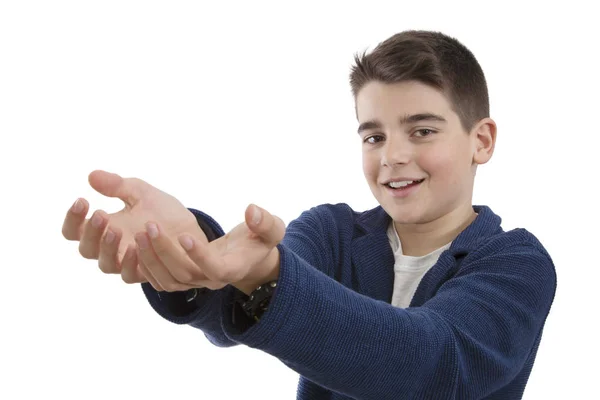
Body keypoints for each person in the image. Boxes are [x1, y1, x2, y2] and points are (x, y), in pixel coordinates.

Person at [62, 30, 557, 399]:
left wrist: (269, 275)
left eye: (422, 131)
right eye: (373, 136)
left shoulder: (517, 263)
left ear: (482, 140)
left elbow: (430, 362)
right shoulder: (331, 231)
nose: (392, 156)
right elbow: (242, 301)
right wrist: (191, 256)